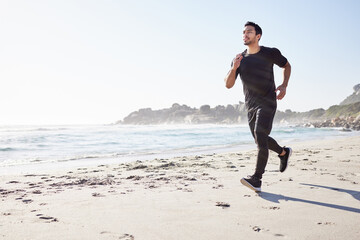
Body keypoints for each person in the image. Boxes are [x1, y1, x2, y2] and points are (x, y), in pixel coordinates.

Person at [224, 21, 292, 192]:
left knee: (260, 134)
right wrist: (234, 68)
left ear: (258, 36)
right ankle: (283, 153)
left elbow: (286, 65)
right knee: (260, 139)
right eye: (243, 32)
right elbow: (228, 85)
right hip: (251, 106)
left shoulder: (270, 53)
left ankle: (257, 179)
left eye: (249, 32)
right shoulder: (238, 59)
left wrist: (284, 85)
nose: (245, 35)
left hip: (268, 102)